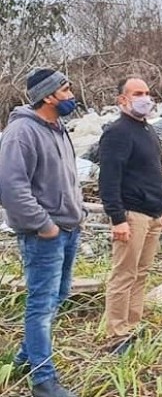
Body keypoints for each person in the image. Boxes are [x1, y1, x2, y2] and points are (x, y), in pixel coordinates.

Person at [0, 68, 84, 397]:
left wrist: (76, 215)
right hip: (44, 235)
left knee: (58, 297)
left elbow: (65, 178)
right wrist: (43, 224)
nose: (70, 94)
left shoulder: (58, 127)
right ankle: (42, 380)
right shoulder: (22, 131)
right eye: (65, 89)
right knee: (41, 304)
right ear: (48, 96)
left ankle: (25, 357)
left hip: (68, 228)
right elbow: (10, 187)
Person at [98, 77, 162, 354]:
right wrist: (117, 218)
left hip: (152, 213)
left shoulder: (147, 131)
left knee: (141, 274)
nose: (145, 98)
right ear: (122, 100)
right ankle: (117, 335)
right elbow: (108, 179)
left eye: (147, 93)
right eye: (137, 93)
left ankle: (132, 325)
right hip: (131, 214)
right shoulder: (117, 132)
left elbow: (153, 172)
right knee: (123, 275)